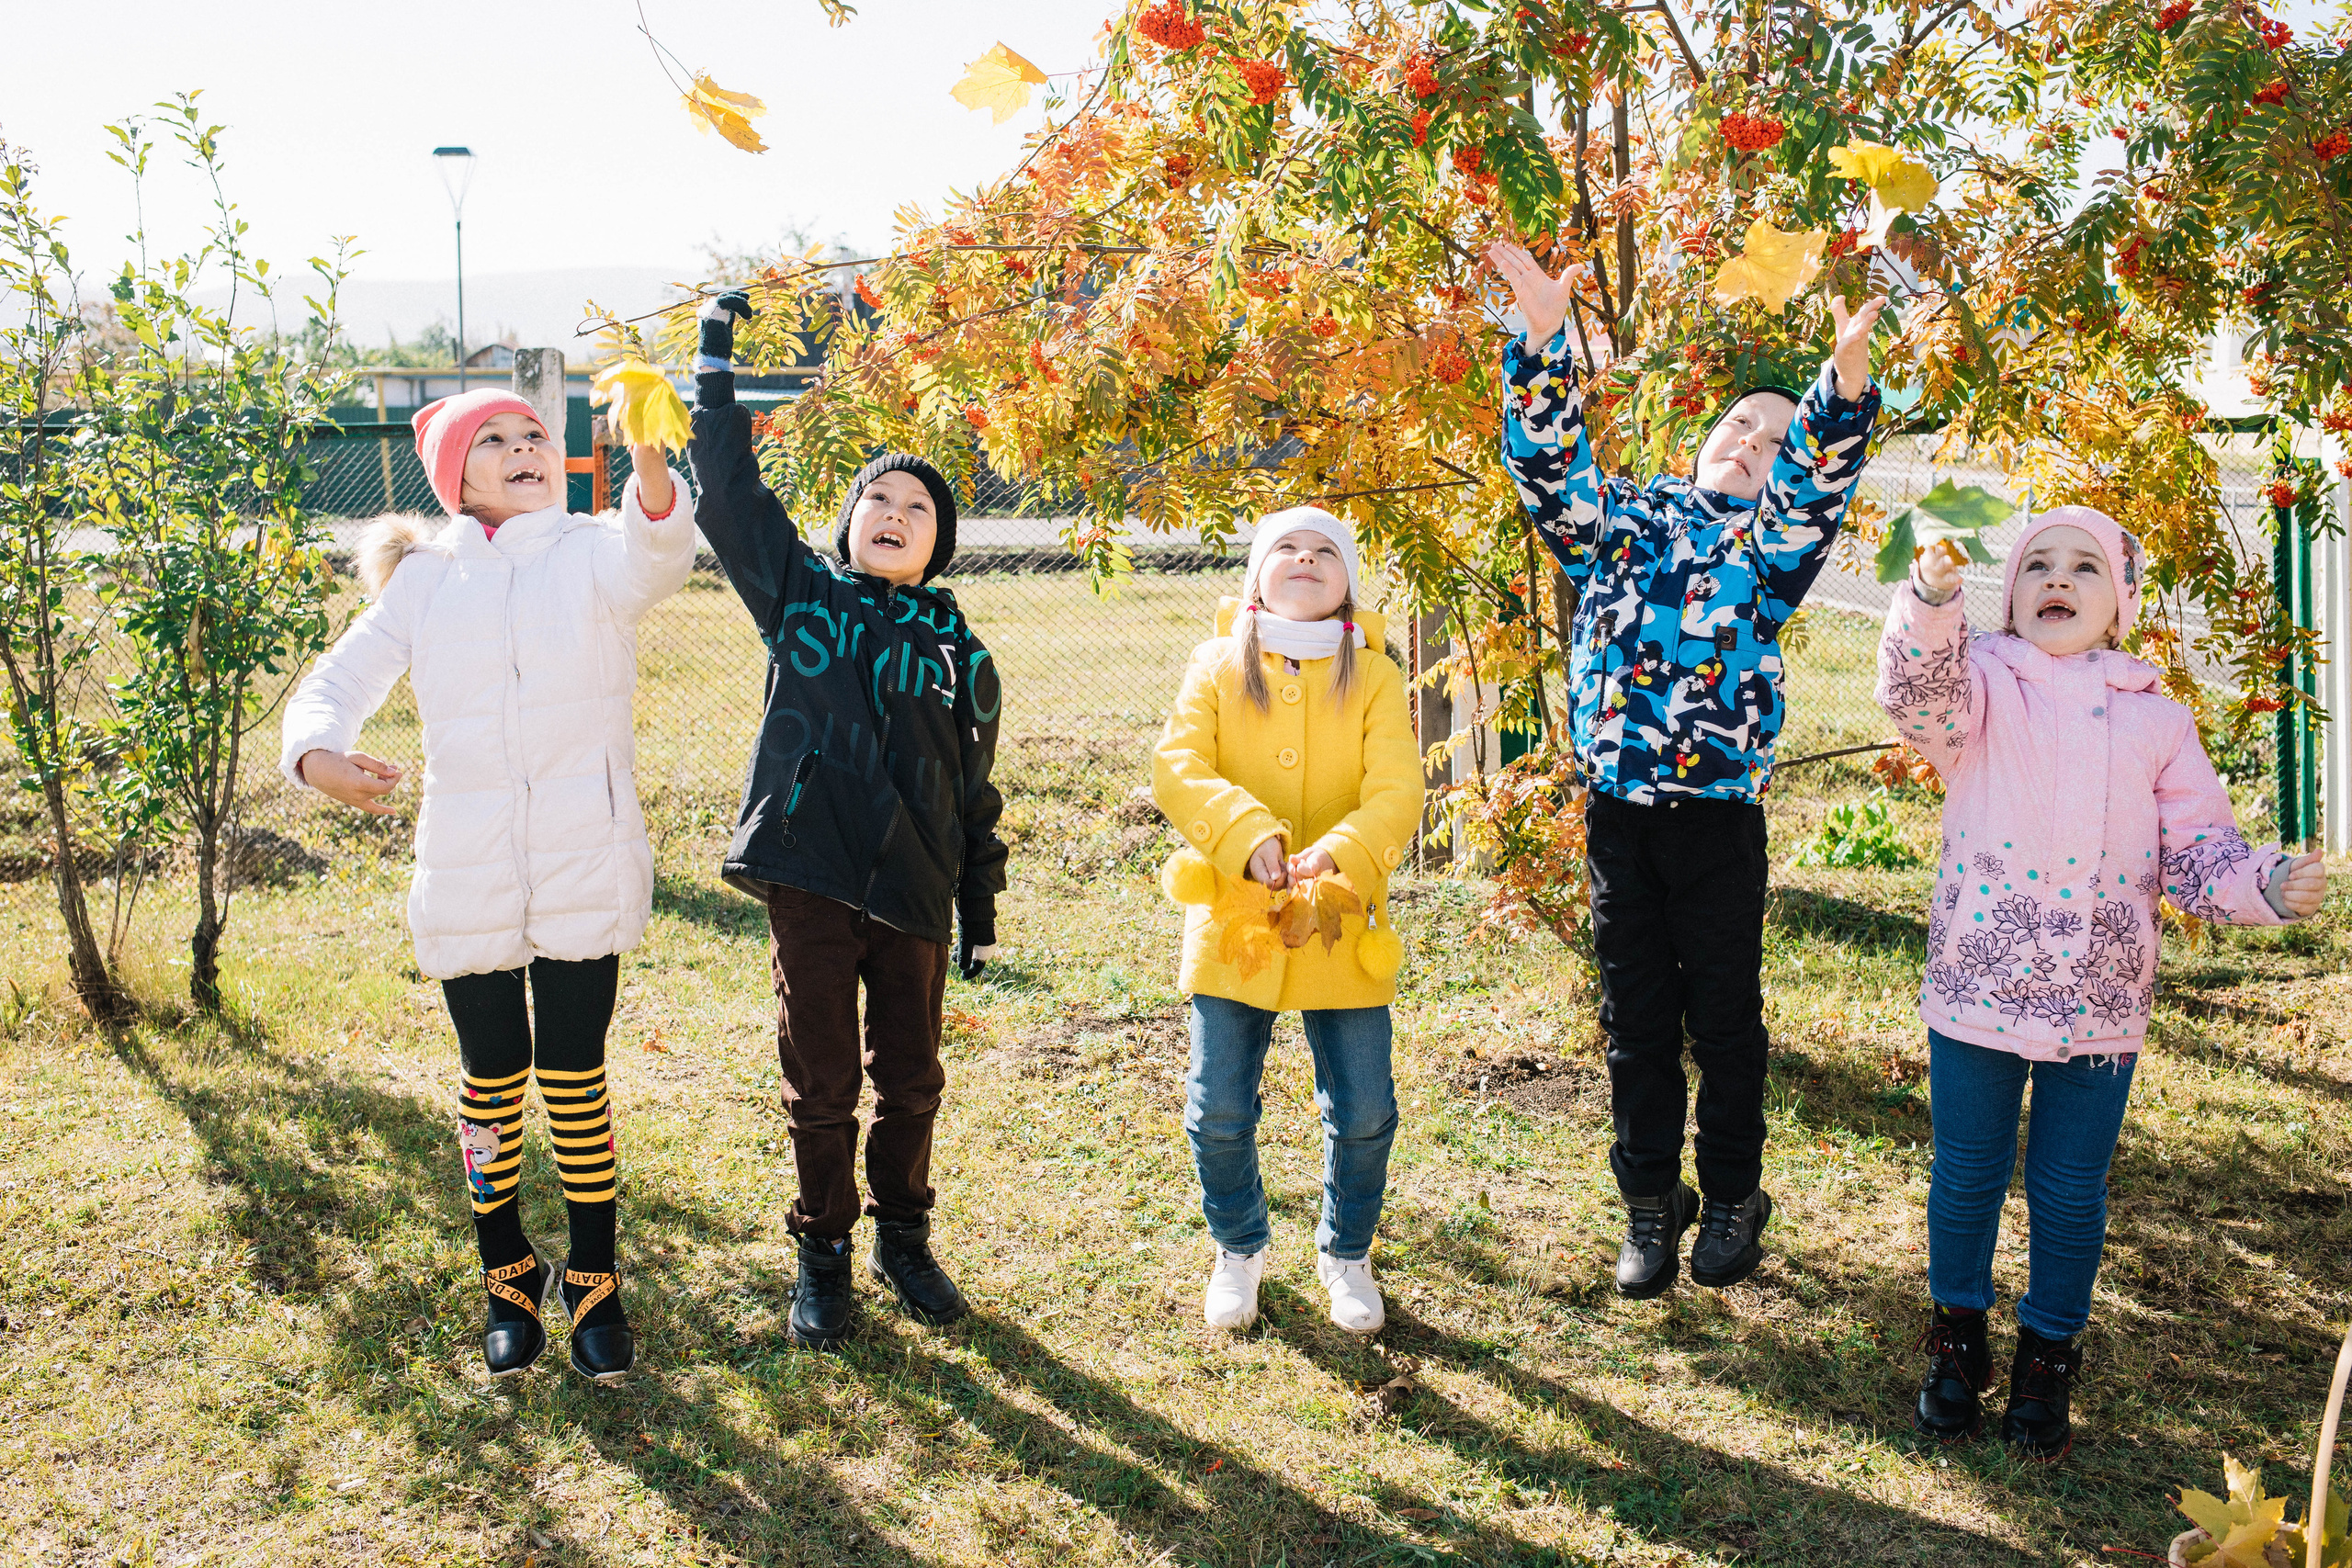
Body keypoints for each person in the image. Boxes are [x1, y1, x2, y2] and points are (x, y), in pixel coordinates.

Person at [1487, 240, 1889, 1299]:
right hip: (1620, 818)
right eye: (1737, 428)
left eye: (1772, 437)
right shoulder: (1617, 523)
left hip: (1715, 823)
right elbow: (1546, 464)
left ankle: (1735, 1193)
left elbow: (1812, 489)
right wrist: (1540, 344)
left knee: (1721, 1019)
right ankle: (1648, 1206)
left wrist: (1840, 388)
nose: (1751, 444)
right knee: (1634, 1025)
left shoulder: (1768, 556)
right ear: (1701, 441)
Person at [1880, 508, 2324, 1460]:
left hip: (2099, 997)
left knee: (2070, 1189)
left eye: (2086, 567)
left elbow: (2200, 851)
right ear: (2008, 596)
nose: (2059, 578)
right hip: (1980, 983)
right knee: (1965, 1174)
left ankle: (2048, 1354)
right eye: (2038, 563)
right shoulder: (1982, 685)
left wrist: (2267, 884)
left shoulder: (2156, 720)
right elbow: (1916, 698)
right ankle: (1957, 1337)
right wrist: (1930, 599)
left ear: (2118, 605)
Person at [282, 388, 695, 1382]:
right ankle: (505, 1271)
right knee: (492, 1078)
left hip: (581, 857)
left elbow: (659, 555)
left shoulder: (594, 552)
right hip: (467, 864)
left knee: (573, 1071)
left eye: (536, 437)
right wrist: (317, 755)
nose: (523, 450)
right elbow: (335, 682)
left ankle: (594, 1275)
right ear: (454, 475)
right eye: (495, 442)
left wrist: (647, 468)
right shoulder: (427, 582)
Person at [686, 291, 1007, 1350]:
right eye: (879, 499)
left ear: (938, 545)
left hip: (912, 891)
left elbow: (974, 795)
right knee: (820, 1079)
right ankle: (822, 1250)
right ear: (850, 523)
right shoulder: (803, 602)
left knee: (910, 1077)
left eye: (918, 509)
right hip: (813, 876)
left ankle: (902, 1239)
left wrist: (975, 906)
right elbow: (729, 498)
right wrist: (714, 364)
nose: (896, 513)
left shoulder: (965, 656)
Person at [1152, 507, 1421, 1334]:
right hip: (1238, 919)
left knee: (1366, 1105)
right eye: (1286, 550)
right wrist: (1242, 833)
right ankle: (1239, 1246)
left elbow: (1397, 789)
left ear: (1345, 585)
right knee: (1219, 1105)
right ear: (1258, 574)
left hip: (1340, 920)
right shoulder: (1217, 665)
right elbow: (1178, 766)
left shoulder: (1371, 673)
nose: (1304, 560)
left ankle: (1347, 1251)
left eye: (1324, 553)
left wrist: (1346, 849)